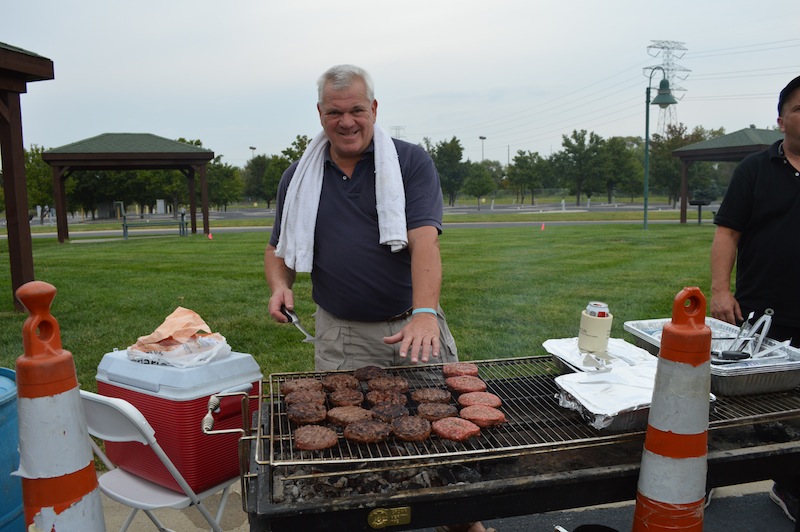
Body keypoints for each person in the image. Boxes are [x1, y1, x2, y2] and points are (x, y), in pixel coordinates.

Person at [264, 64, 489, 532]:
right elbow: (278, 246)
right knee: (349, 443)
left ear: (374, 109)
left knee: (441, 430)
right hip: (342, 331)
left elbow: (424, 241)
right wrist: (280, 285)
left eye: (357, 110)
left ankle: (462, 522)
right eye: (335, 112)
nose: (346, 121)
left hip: (414, 324)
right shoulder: (299, 175)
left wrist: (426, 313)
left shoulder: (408, 162)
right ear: (320, 113)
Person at [710, 74, 800, 523]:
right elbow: (728, 233)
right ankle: (702, 478)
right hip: (760, 312)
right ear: (781, 119)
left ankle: (791, 486)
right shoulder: (754, 169)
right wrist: (721, 290)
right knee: (733, 406)